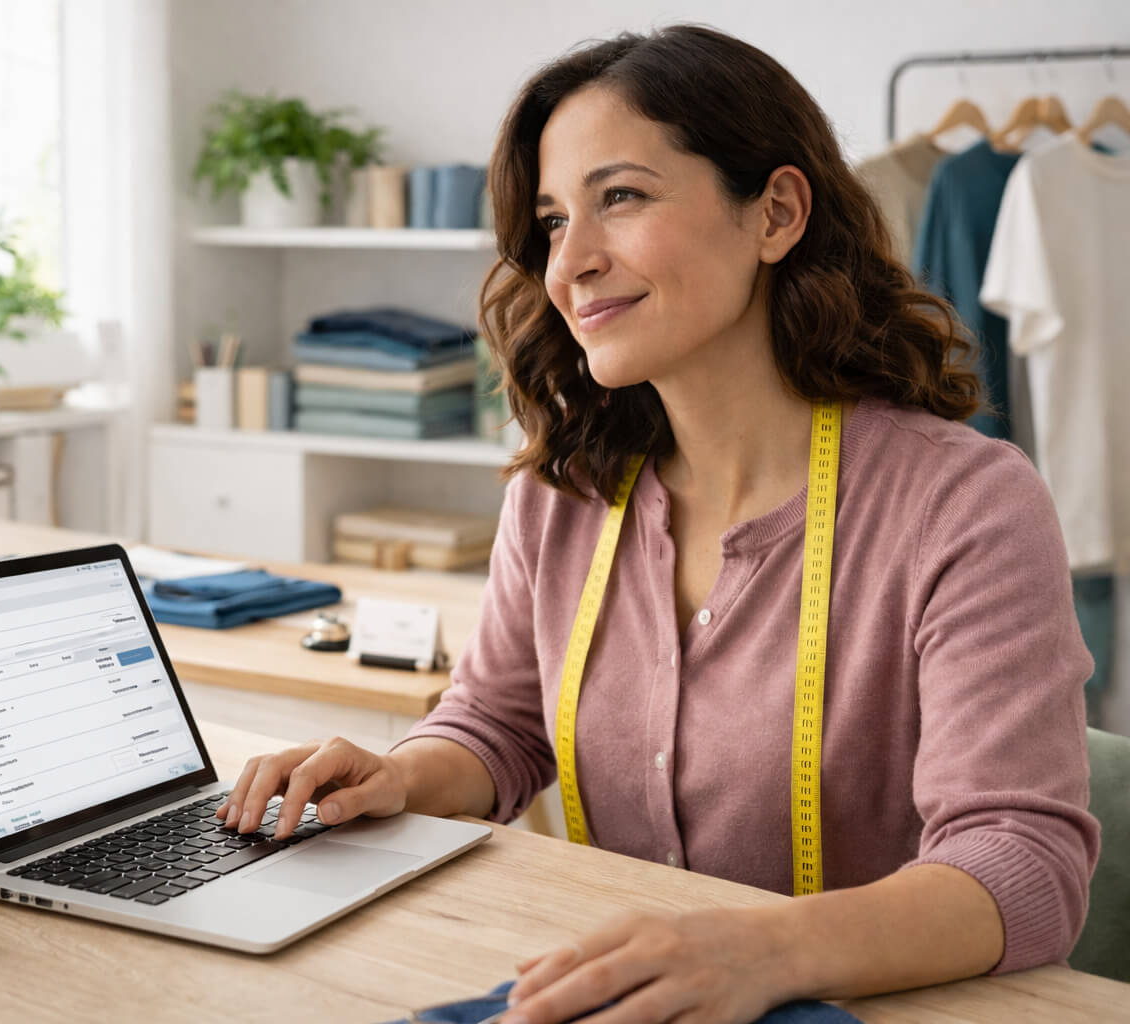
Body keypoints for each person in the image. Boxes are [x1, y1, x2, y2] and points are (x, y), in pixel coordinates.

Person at [216, 25, 1098, 1024]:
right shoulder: (565, 490)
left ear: (775, 212)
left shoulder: (961, 504)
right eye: (553, 221)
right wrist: (399, 773)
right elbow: (500, 724)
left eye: (621, 197)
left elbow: (1023, 862)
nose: (573, 262)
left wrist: (764, 949)